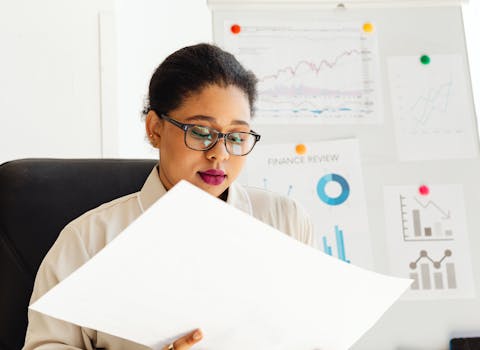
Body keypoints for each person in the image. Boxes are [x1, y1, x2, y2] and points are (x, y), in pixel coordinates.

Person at [23, 43, 313, 350]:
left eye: (237, 137)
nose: (220, 154)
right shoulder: (89, 240)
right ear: (155, 129)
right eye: (202, 132)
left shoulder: (285, 221)